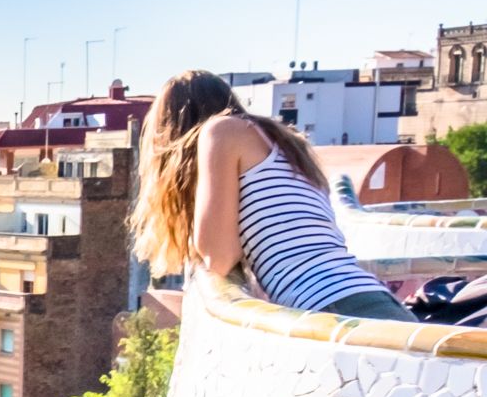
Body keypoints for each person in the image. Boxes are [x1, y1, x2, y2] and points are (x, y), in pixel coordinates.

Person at [131, 68, 415, 321]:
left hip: (332, 306)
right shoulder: (281, 145)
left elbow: (217, 257)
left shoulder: (222, 131)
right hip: (369, 299)